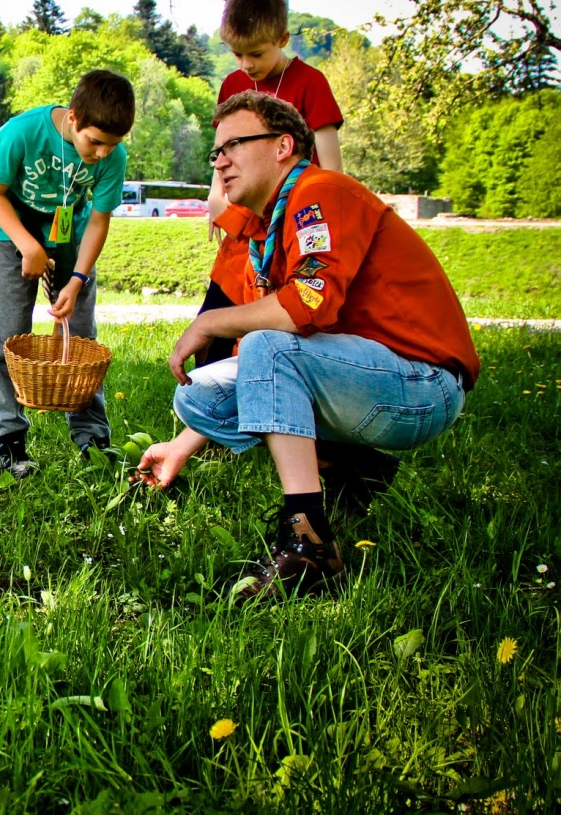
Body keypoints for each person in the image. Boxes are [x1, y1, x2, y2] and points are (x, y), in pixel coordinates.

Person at [138, 92, 480, 598]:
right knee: (197, 396)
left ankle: (310, 544)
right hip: (366, 377)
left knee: (267, 346)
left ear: (283, 145)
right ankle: (352, 466)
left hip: (422, 385)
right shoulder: (266, 223)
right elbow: (272, 366)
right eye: (215, 151)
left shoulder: (320, 193)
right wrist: (182, 447)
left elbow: (306, 305)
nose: (221, 161)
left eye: (234, 144)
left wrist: (212, 322)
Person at [0, 70, 134, 479]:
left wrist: (77, 279)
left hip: (69, 240)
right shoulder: (24, 131)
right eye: (94, 142)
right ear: (74, 118)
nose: (100, 154)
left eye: (110, 146)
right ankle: (9, 437)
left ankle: (91, 436)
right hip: (12, 237)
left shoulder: (113, 155)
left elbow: (98, 219)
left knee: (82, 338)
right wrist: (28, 245)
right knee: (8, 335)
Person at [199, 0, 345, 366]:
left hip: (291, 227)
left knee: (273, 329)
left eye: (256, 53)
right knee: (213, 328)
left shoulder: (310, 83)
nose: (246, 64)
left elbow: (331, 169)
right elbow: (224, 149)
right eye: (237, 54)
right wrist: (217, 200)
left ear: (282, 38)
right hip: (244, 230)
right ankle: (210, 410)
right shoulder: (233, 84)